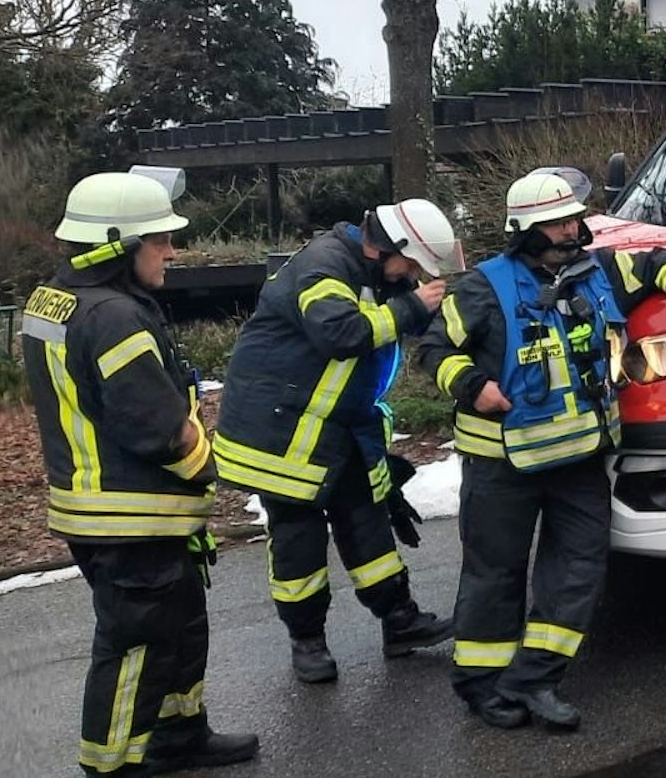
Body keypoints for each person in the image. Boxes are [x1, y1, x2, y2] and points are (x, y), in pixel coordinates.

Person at [416, 169, 666, 731]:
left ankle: (536, 679)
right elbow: (434, 347)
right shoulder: (483, 287)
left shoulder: (601, 271)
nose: (571, 230)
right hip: (502, 463)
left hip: (579, 459)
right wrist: (473, 385)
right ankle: (481, 685)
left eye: (573, 219)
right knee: (494, 576)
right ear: (525, 231)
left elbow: (657, 261)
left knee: (577, 570)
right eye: (557, 224)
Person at [23, 170, 258, 776]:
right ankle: (112, 766)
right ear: (118, 245)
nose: (172, 253)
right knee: (135, 648)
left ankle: (179, 735)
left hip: (111, 508)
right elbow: (158, 428)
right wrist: (210, 469)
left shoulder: (56, 300)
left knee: (179, 629)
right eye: (160, 240)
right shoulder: (114, 318)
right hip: (130, 515)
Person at [214, 199, 462, 684]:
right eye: (411, 265)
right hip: (281, 433)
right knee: (299, 541)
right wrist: (411, 307)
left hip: (337, 425)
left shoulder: (375, 271)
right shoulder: (323, 266)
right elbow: (340, 333)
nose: (412, 277)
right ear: (388, 246)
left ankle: (399, 620)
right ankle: (307, 641)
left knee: (367, 523)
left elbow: (408, 319)